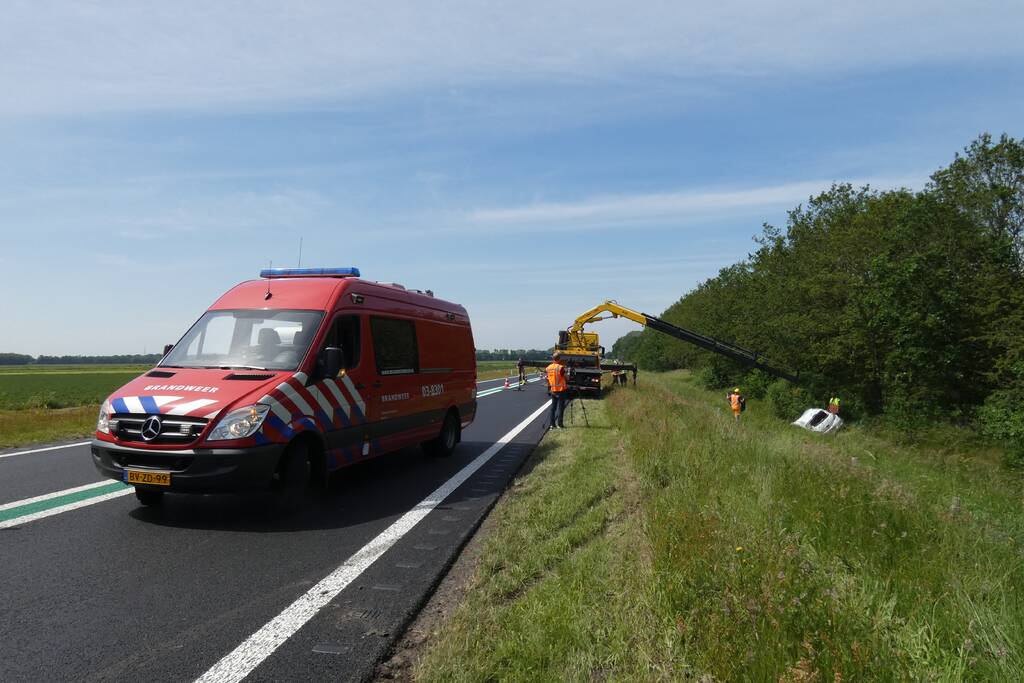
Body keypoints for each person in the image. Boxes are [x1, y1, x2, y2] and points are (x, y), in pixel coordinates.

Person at [546, 352, 569, 429]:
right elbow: (566, 378)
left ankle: (552, 424)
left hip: (553, 390)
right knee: (560, 407)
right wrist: (567, 373)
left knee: (553, 408)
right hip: (561, 390)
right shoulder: (560, 367)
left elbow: (548, 379)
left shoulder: (548, 367)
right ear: (559, 359)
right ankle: (560, 424)